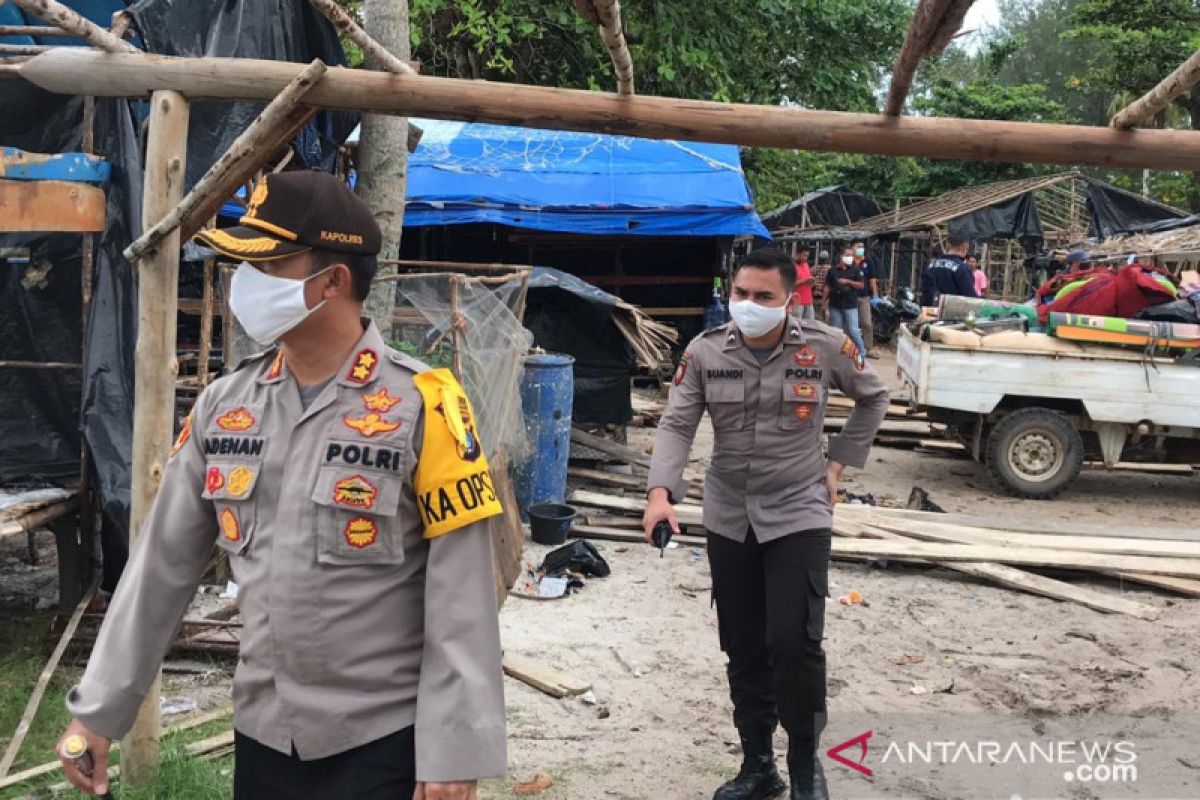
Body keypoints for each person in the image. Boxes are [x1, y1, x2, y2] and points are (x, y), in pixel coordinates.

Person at [57, 171, 507, 800]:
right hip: (264, 733)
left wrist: (454, 751)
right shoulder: (225, 404)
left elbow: (462, 597)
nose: (246, 284)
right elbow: (161, 565)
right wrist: (98, 709)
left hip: (380, 741)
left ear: (333, 281)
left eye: (268, 266)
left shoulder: (423, 406)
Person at [642, 247, 888, 800]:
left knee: (794, 641)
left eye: (762, 297)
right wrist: (660, 493)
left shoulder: (825, 346)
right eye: (740, 294)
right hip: (729, 512)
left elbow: (874, 397)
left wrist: (837, 464)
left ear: (790, 299)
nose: (748, 306)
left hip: (799, 507)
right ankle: (758, 765)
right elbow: (678, 423)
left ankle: (805, 765)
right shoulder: (705, 351)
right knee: (745, 642)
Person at [824, 248, 868, 368]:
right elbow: (827, 286)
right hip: (835, 304)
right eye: (848, 255)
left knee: (853, 330)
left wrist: (848, 281)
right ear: (842, 256)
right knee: (837, 331)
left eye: (851, 255)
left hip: (850, 305)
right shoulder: (832, 271)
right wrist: (824, 302)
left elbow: (861, 285)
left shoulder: (855, 270)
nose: (850, 257)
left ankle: (862, 353)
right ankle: (837, 355)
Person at [919, 234, 977, 307]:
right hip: (951, 313)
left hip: (929, 311)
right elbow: (969, 296)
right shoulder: (962, 268)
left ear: (948, 247)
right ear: (964, 247)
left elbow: (924, 290)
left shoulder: (931, 265)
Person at [850, 241, 879, 358]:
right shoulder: (849, 261)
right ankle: (852, 347)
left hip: (864, 296)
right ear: (852, 248)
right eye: (858, 247)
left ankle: (868, 348)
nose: (861, 249)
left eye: (862, 247)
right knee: (852, 324)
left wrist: (875, 295)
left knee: (866, 323)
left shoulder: (868, 261)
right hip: (850, 297)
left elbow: (872, 279)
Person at [792, 247, 815, 319]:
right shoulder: (791, 266)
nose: (806, 258)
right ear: (797, 254)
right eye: (804, 255)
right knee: (797, 324)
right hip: (797, 301)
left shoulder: (806, 265)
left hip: (808, 300)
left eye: (807, 256)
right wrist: (805, 280)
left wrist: (811, 282)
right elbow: (790, 284)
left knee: (810, 324)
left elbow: (807, 280)